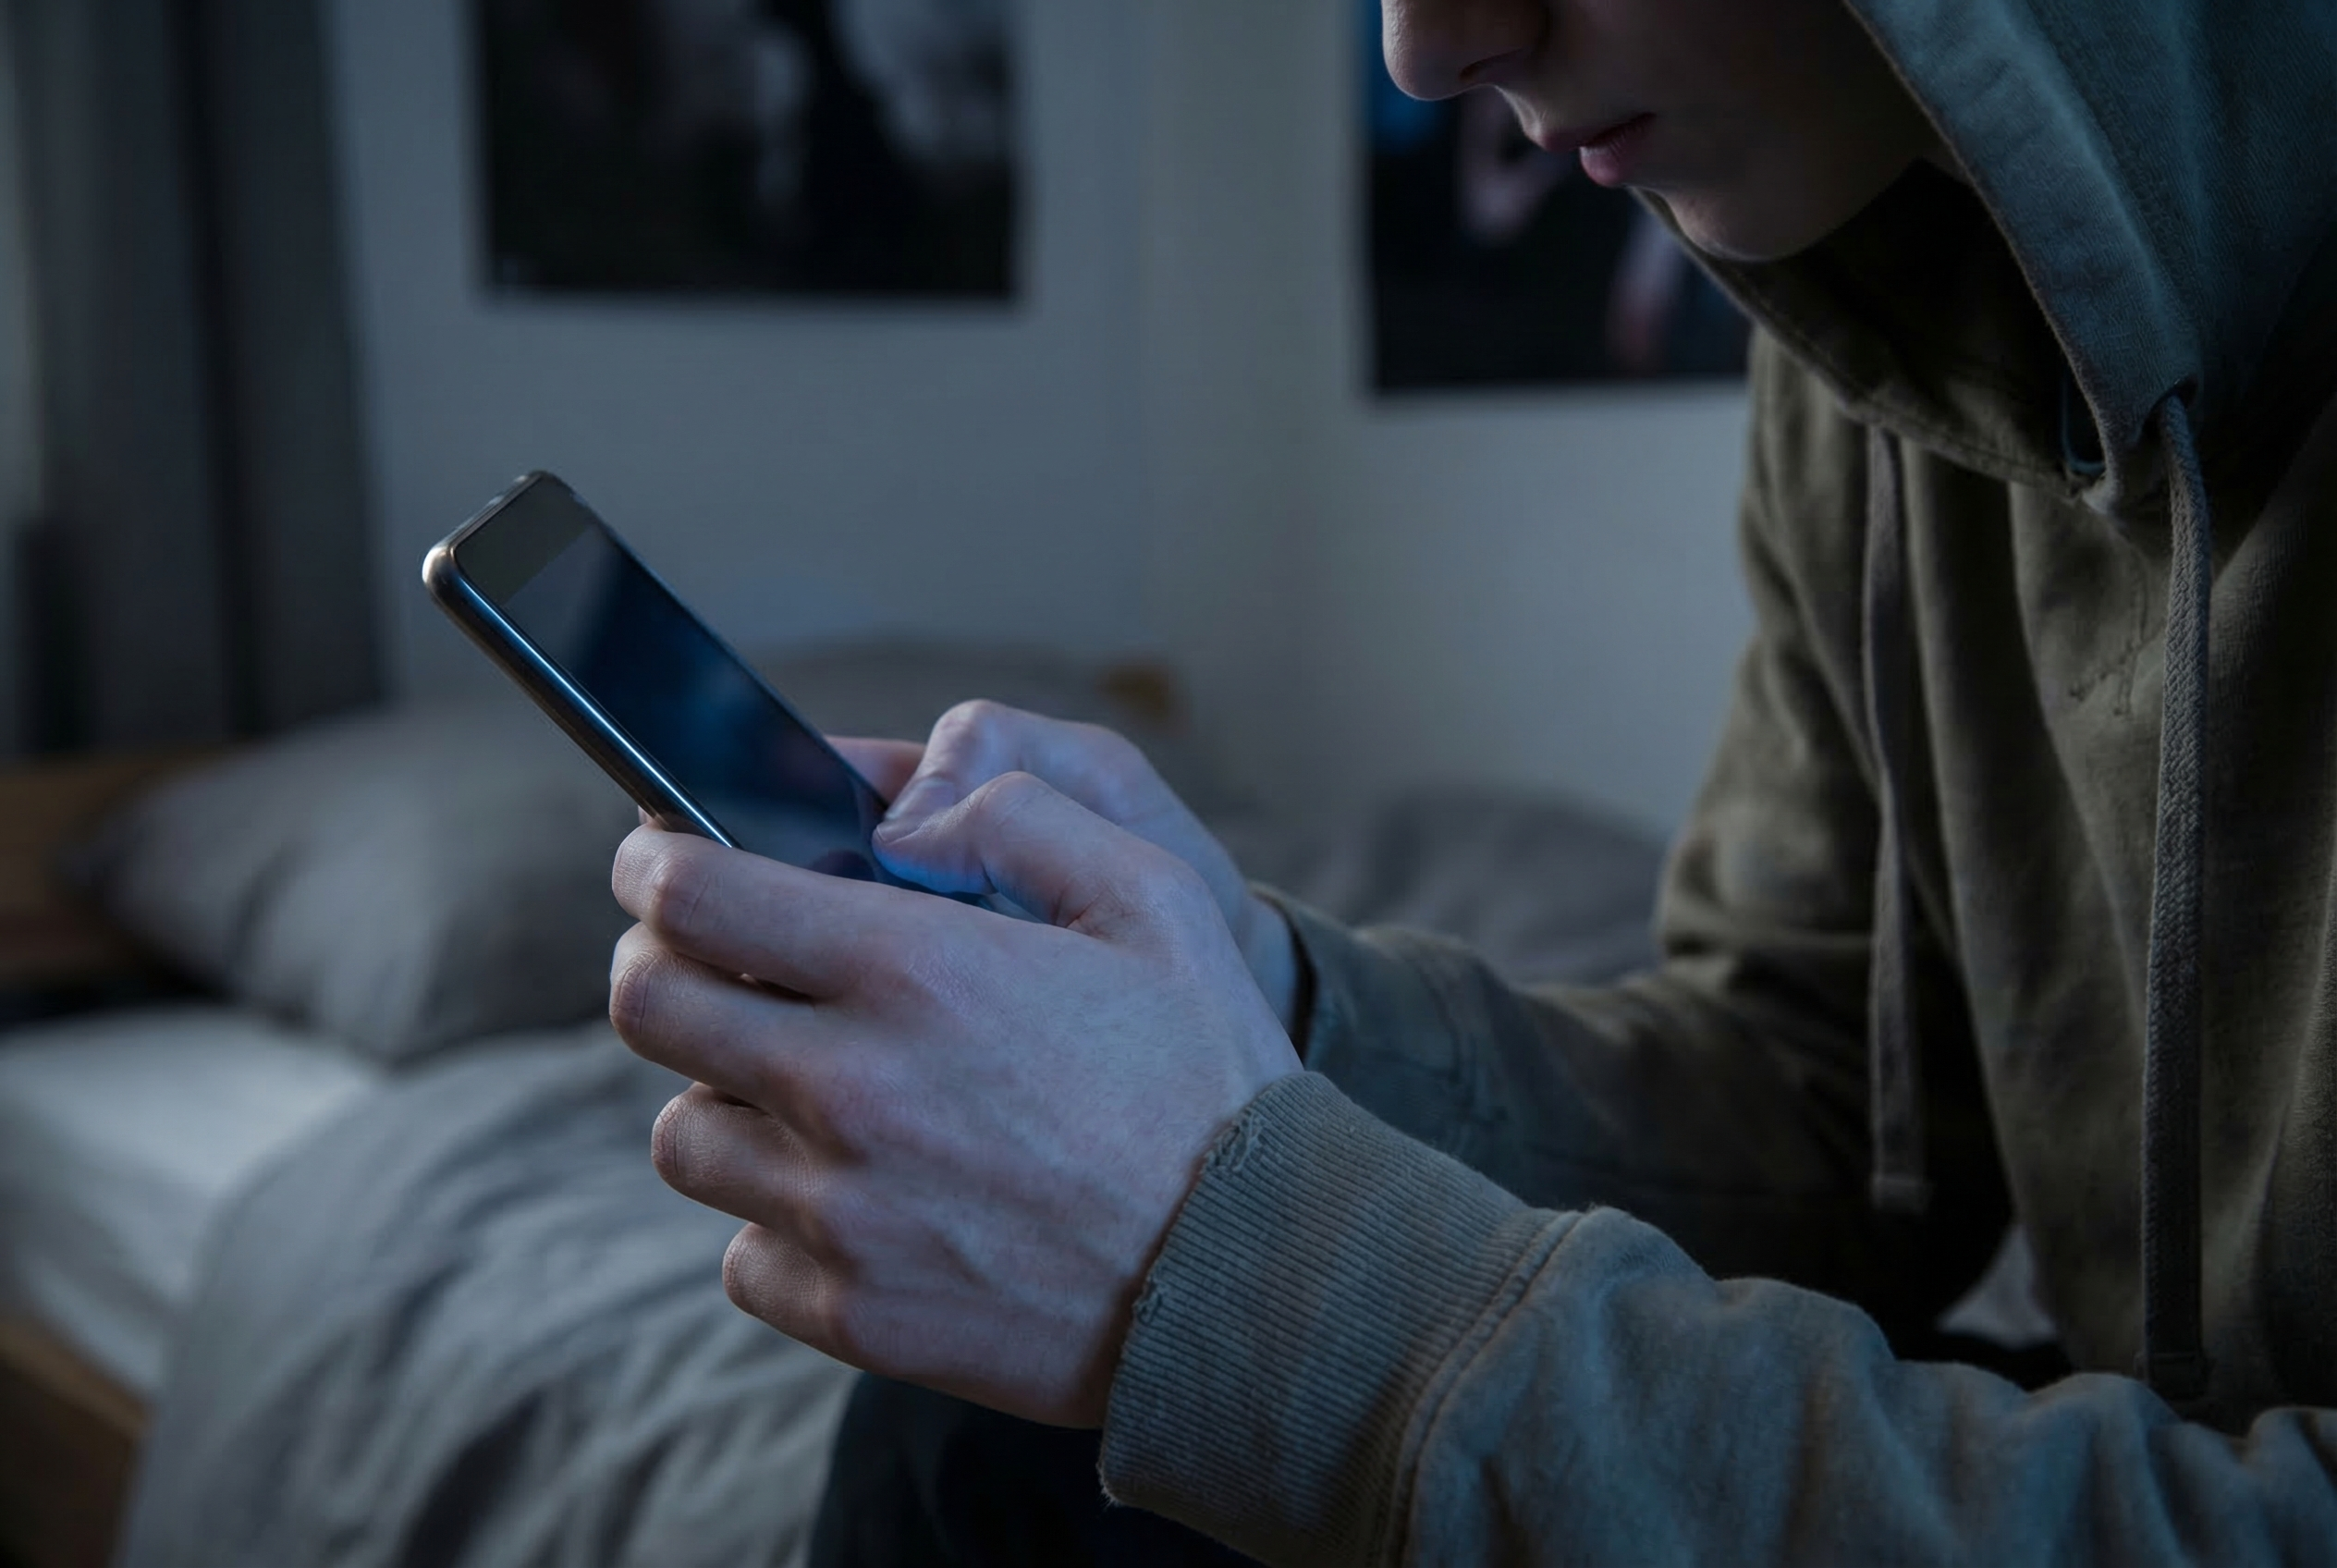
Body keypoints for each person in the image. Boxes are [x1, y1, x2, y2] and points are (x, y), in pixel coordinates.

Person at [607, 0, 2337, 1559]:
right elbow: (1820, 1101)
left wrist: (1266, 1293)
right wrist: (1269, 997)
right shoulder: (1870, 329)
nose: (1423, 50)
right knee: (985, 1430)